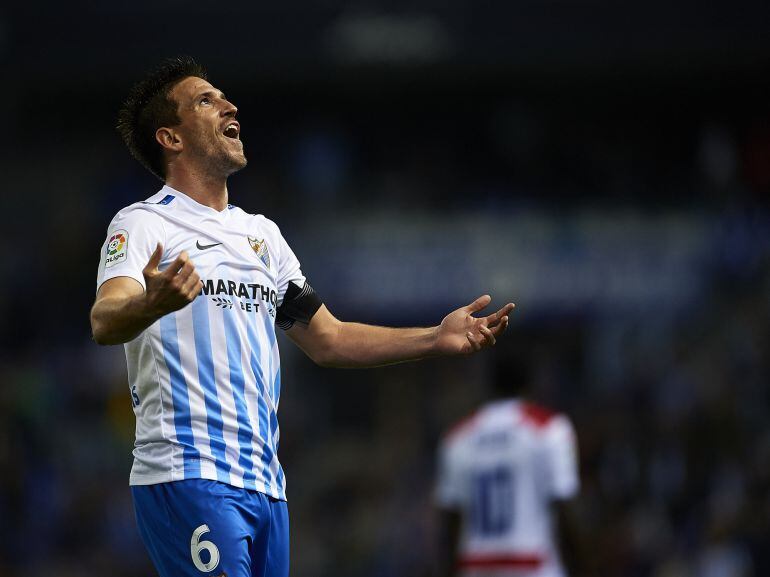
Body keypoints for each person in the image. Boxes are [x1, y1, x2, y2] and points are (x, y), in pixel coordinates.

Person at [90, 56, 514, 577]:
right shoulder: (143, 223)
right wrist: (148, 304)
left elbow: (328, 338)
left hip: (267, 486)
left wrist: (435, 337)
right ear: (171, 138)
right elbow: (105, 319)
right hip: (188, 473)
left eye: (223, 95)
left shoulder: (262, 237)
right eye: (205, 99)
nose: (229, 104)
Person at [434, 351, 585, 577]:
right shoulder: (549, 429)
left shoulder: (458, 438)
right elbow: (566, 510)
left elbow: (450, 525)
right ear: (530, 384)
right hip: (532, 566)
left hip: (476, 566)